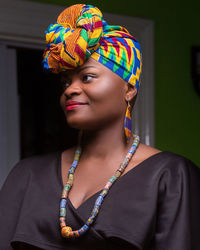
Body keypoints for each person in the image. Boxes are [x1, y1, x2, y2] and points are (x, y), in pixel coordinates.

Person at [0, 3, 200, 250]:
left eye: (87, 77)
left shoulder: (170, 175)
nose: (70, 90)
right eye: (65, 82)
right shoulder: (26, 175)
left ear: (128, 89)